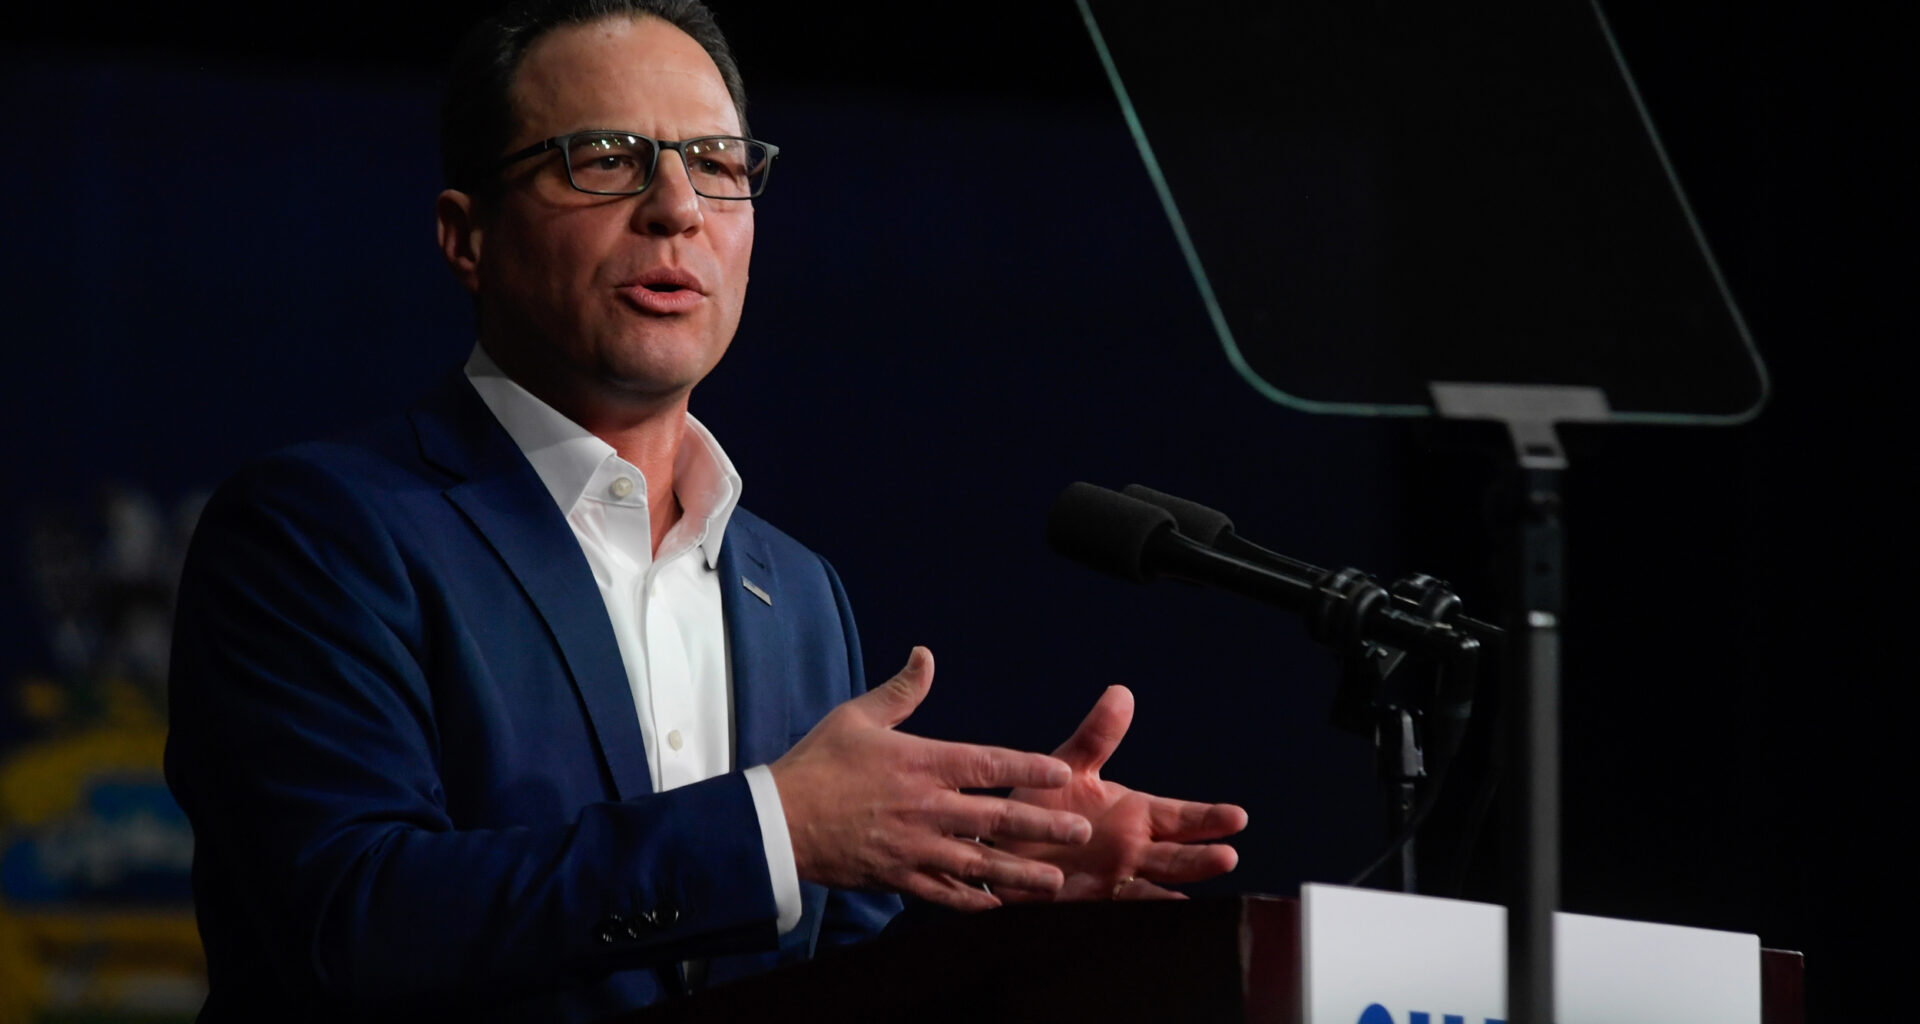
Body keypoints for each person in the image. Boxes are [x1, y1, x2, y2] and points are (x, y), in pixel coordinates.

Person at [163, 1, 1248, 1019]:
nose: (677, 208)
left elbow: (828, 968)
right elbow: (343, 917)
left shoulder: (793, 590)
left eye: (718, 165)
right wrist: (777, 826)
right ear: (467, 236)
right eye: (606, 159)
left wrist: (998, 895)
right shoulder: (323, 531)